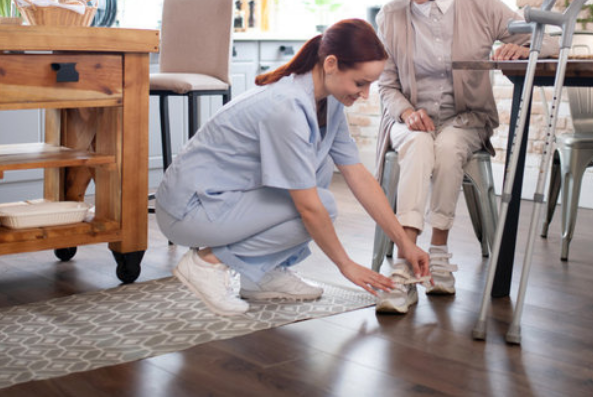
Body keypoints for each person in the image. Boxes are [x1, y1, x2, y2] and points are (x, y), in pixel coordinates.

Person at [155, 18, 431, 316]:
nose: (365, 94)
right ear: (331, 64)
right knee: (320, 204)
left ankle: (258, 276)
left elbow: (357, 174)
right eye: (360, 83)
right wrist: (346, 265)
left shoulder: (331, 100)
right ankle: (207, 264)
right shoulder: (286, 106)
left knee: (319, 170)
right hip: (188, 209)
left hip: (224, 199)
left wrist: (404, 243)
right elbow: (309, 208)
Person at [373, 0, 555, 314]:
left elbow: (550, 42)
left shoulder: (480, 3)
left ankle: (436, 253)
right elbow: (386, 85)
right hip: (411, 121)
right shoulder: (390, 15)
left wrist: (519, 46)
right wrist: (407, 112)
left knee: (449, 145)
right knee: (422, 143)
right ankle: (407, 261)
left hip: (466, 118)